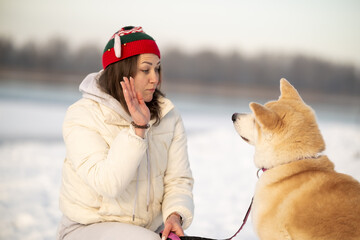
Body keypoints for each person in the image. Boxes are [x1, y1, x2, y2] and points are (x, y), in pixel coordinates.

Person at [56, 26, 194, 240]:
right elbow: (108, 183)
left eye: (157, 69)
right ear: (122, 71)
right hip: (86, 227)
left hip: (147, 230)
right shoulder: (82, 115)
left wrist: (175, 214)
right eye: (146, 70)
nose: (155, 79)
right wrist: (138, 130)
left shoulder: (168, 116)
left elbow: (177, 179)